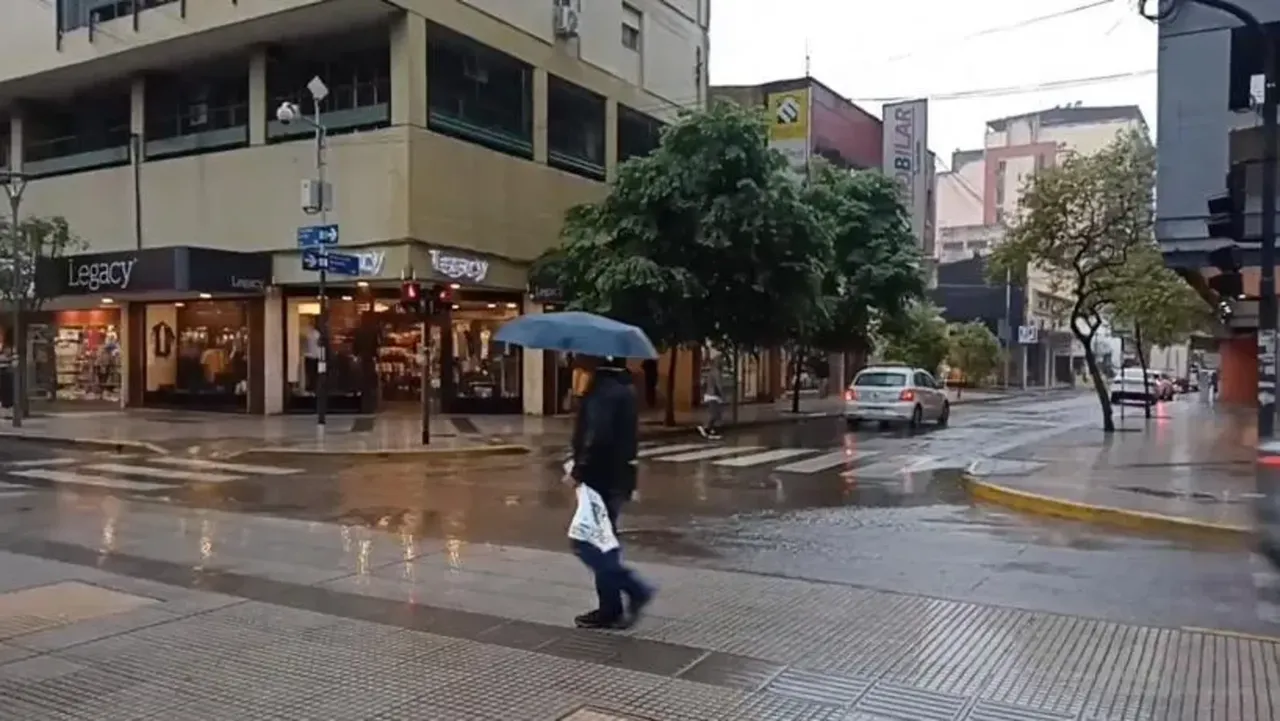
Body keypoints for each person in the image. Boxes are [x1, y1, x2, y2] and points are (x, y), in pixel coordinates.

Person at [566, 355, 654, 629]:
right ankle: (611, 607)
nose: (576, 367)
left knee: (585, 542)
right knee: (603, 542)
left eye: (580, 363)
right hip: (617, 477)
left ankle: (633, 589)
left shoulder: (603, 392)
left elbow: (599, 436)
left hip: (600, 479)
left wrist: (579, 470)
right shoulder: (622, 388)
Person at [698, 359, 725, 440]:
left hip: (710, 395)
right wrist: (722, 395)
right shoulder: (716, 372)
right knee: (714, 414)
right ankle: (705, 427)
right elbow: (719, 385)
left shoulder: (712, 372)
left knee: (716, 414)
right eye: (721, 363)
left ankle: (711, 429)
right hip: (713, 395)